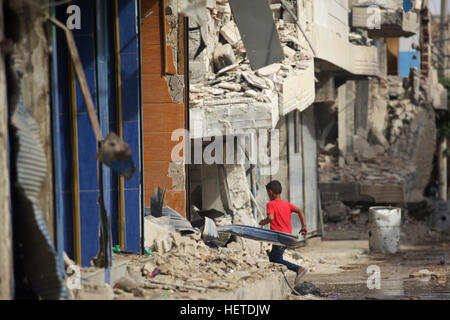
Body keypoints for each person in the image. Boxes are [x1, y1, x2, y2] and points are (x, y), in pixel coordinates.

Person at [259, 180, 308, 284]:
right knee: (273, 257)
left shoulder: (270, 204)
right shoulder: (286, 204)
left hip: (279, 237)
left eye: (267, 192)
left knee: (276, 258)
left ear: (270, 192)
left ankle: (299, 269)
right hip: (287, 236)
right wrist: (303, 226)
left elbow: (271, 218)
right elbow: (300, 211)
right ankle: (279, 276)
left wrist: (263, 222)